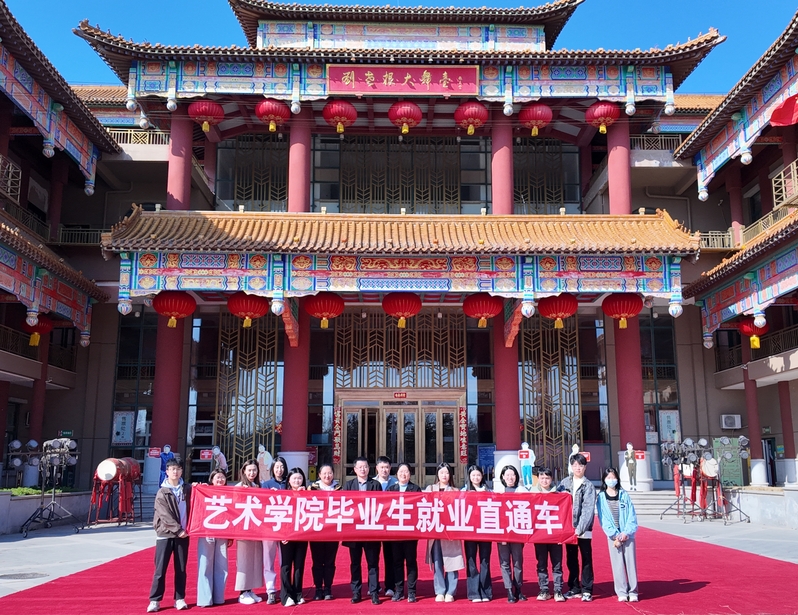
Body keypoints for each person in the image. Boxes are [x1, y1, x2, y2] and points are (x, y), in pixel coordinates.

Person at [147, 458, 191, 613]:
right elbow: (164, 515)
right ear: (167, 472)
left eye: (178, 469)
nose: (175, 472)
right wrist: (178, 530)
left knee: (181, 569)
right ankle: (155, 600)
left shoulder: (187, 489)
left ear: (181, 471)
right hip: (165, 535)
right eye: (172, 469)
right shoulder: (162, 492)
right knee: (160, 569)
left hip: (183, 535)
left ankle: (179, 598)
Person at [596, 467, 639, 602]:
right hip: (613, 536)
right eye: (608, 478)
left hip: (627, 534)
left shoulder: (624, 495)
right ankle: (621, 591)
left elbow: (631, 514)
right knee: (617, 564)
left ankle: (633, 591)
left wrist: (626, 532)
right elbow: (603, 518)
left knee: (631, 563)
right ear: (604, 480)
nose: (611, 480)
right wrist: (614, 534)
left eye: (613, 477)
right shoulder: (601, 497)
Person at [557, 453, 596, 602]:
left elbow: (587, 510)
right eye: (574, 465)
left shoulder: (588, 485)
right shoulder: (564, 483)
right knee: (571, 558)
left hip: (583, 530)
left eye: (580, 465)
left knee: (586, 559)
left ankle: (587, 589)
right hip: (568, 529)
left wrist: (579, 529)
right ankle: (574, 588)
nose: (577, 468)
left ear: (585, 467)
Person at [344, 456, 382, 604]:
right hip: (353, 531)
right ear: (355, 469)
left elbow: (381, 506)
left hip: (371, 530)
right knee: (355, 563)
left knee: (373, 563)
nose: (363, 469)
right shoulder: (348, 485)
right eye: (360, 467)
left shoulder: (376, 485)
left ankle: (374, 592)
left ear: (369, 468)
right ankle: (356, 592)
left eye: (365, 466)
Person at [425, 462, 464, 602]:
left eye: (447, 472)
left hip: (451, 532)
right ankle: (440, 590)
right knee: (437, 561)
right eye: (441, 472)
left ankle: (450, 591)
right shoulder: (430, 489)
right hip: (435, 531)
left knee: (452, 561)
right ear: (437, 474)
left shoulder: (456, 491)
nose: (444, 475)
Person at [196, 469, 232, 607]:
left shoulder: (230, 494)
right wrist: (196, 486)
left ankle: (218, 597)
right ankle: (205, 599)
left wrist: (232, 534)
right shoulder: (204, 491)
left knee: (222, 566)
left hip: (223, 533)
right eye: (217, 477)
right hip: (206, 532)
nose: (220, 480)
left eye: (222, 477)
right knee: (205, 565)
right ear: (211, 479)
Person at [528, 468, 565, 602]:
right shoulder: (532, 494)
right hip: (540, 535)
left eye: (547, 478)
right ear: (538, 478)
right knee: (541, 564)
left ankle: (558, 590)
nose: (544, 481)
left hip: (555, 535)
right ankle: (544, 589)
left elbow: (563, 515)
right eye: (542, 478)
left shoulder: (559, 495)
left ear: (551, 479)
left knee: (557, 564)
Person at [387, 463, 422, 603]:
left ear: (410, 474)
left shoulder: (415, 489)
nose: (403, 474)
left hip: (410, 532)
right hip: (395, 533)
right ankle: (399, 590)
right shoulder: (391, 490)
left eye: (406, 471)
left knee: (411, 562)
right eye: (401, 471)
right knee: (397, 562)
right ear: (396, 474)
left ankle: (412, 591)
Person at [494, 465, 527, 603]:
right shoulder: (497, 492)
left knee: (518, 562)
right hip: (502, 533)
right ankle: (508, 590)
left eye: (512, 475)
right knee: (505, 562)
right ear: (502, 477)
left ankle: (518, 588)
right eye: (507, 475)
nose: (510, 477)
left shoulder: (522, 491)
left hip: (517, 533)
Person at [309, 463, 341, 600]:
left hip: (332, 531)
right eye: (324, 473)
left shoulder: (339, 489)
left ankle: (328, 588)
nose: (327, 476)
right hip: (316, 530)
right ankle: (318, 588)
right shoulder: (312, 489)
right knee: (317, 561)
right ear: (319, 475)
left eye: (330, 473)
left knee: (330, 561)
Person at [235, 460, 265, 605]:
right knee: (244, 560)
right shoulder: (239, 487)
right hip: (244, 529)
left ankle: (250, 589)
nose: (252, 473)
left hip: (257, 529)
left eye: (254, 470)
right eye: (249, 470)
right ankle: (242, 592)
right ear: (244, 471)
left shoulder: (258, 486)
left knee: (255, 559)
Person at [462, 465, 493, 602]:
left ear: (482, 476)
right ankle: (474, 592)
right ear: (469, 477)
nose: (476, 478)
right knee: (471, 560)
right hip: (469, 531)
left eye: (478, 475)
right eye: (473, 475)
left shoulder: (489, 491)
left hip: (485, 531)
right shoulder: (464, 491)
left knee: (485, 560)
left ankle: (486, 591)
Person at [280, 468, 310, 606]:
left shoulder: (308, 495)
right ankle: (286, 595)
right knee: (286, 565)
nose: (297, 481)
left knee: (299, 565)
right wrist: (282, 534)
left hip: (302, 534)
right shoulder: (283, 495)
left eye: (300, 478)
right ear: (289, 480)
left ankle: (298, 593)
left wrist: (306, 495)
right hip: (287, 535)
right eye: (294, 478)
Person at [261, 456, 288, 604]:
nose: (279, 470)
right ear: (272, 468)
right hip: (270, 529)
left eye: (282, 467)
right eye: (277, 467)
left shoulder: (289, 483)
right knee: (269, 561)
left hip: (286, 529)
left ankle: (285, 589)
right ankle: (270, 590)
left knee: (285, 562)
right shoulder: (266, 485)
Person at [374, 455, 398, 596]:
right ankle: (374, 586)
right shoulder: (371, 483)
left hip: (391, 525)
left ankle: (390, 586)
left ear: (390, 468)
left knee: (390, 556)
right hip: (374, 525)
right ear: (377, 468)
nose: (384, 470)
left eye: (387, 467)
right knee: (373, 558)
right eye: (382, 467)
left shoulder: (396, 483)